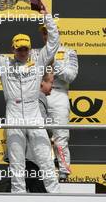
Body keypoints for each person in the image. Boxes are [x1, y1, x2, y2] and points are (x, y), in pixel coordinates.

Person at [0, 1, 60, 193]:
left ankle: (57, 195)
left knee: (45, 160)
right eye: (19, 49)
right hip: (14, 114)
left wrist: (46, 16)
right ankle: (18, 196)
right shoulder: (4, 64)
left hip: (34, 115)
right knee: (16, 163)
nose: (22, 52)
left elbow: (54, 42)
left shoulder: (39, 62)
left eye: (25, 49)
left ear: (30, 49)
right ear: (13, 48)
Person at [32, 25, 78, 181]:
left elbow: (71, 76)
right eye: (44, 33)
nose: (47, 35)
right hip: (38, 94)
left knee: (61, 136)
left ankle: (63, 173)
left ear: (57, 33)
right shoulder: (35, 53)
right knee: (37, 134)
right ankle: (40, 172)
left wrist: (54, 63)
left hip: (59, 94)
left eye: (50, 31)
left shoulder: (69, 52)